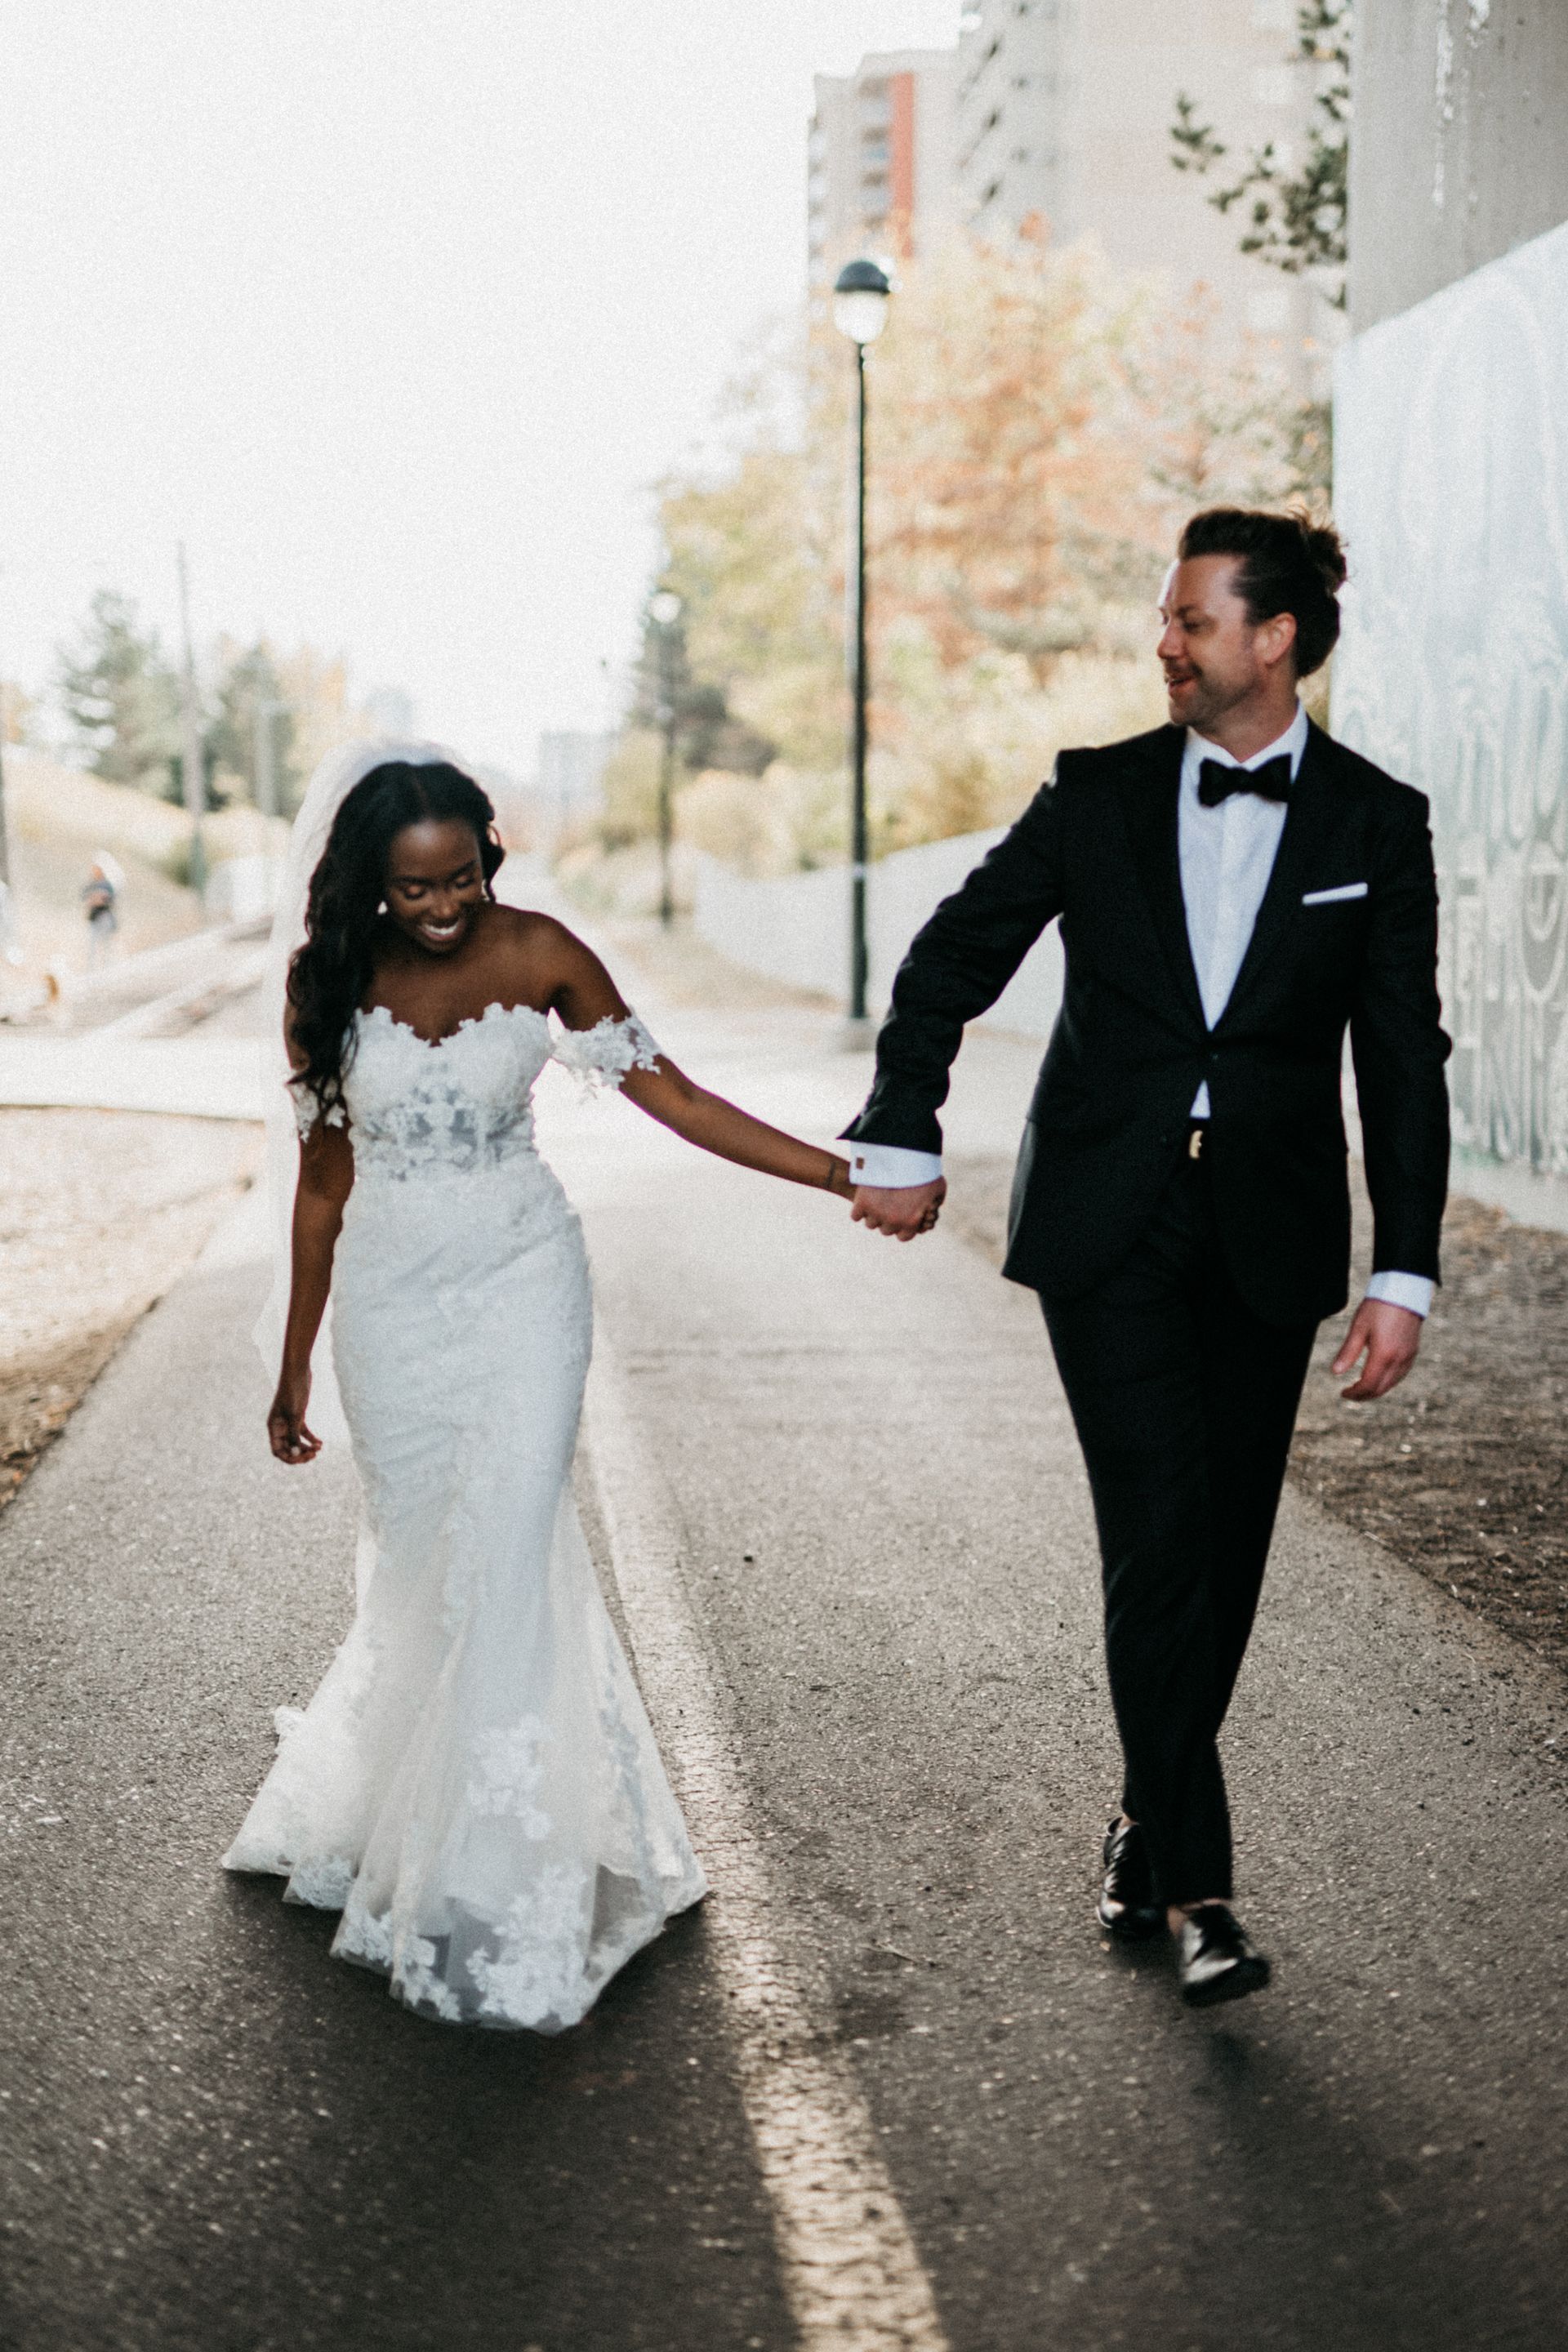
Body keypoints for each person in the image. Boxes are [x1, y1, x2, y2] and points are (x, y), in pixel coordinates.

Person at [841, 508, 1450, 2008]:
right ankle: (1200, 1888)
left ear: (1274, 638)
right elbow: (953, 950)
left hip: (1271, 1230)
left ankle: (1140, 1813)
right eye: (1167, 621)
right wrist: (902, 1120)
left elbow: (1405, 1062)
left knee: (1222, 1546)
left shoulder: (1377, 823)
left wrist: (1406, 1269)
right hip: (1108, 1220)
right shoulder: (1098, 794)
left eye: (1190, 620)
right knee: (1159, 1524)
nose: (1162, 644)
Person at [225, 744, 855, 2030]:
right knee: (421, 1568)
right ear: (366, 885)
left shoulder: (546, 953)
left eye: (460, 877)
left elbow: (672, 1097)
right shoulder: (326, 982)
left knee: (511, 1554)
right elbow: (323, 1186)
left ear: (488, 858)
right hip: (394, 1305)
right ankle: (396, 1810)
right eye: (414, 891)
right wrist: (294, 1361)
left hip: (524, 1283)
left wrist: (838, 1175)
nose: (443, 907)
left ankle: (498, 1878)